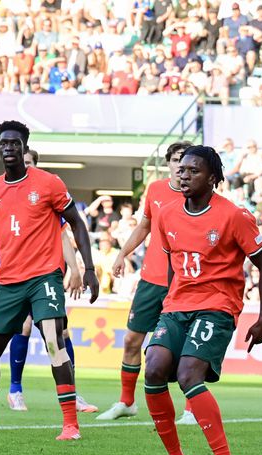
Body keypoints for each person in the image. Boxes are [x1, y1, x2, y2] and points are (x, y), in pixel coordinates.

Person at [0, 121, 100, 441]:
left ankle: (70, 423)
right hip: (9, 283)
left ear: (24, 148)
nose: (8, 148)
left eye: (15, 143)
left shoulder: (49, 183)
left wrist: (89, 268)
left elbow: (76, 224)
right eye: (3, 143)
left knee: (54, 341)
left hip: (44, 277)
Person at [146, 145, 262, 455]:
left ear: (213, 178)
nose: (184, 175)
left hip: (217, 304)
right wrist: (167, 306)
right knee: (155, 368)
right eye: (182, 169)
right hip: (176, 306)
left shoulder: (234, 215)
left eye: (194, 170)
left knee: (189, 374)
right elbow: (175, 267)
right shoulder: (167, 214)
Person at [0, 149, 96, 413]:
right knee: (23, 327)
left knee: (61, 332)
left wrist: (75, 268)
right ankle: (15, 390)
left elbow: (63, 234)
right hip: (14, 276)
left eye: (28, 163)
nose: (22, 165)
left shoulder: (46, 194)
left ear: (35, 166)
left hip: (44, 275)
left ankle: (72, 393)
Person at [97, 141, 195, 422]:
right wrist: (122, 254)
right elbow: (143, 226)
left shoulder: (199, 194)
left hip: (182, 281)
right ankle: (127, 402)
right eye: (177, 160)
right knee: (131, 340)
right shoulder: (156, 190)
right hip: (151, 279)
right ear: (169, 164)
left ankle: (190, 407)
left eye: (187, 161)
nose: (181, 166)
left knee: (185, 345)